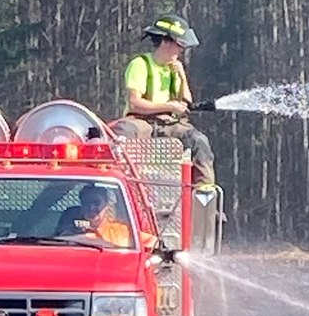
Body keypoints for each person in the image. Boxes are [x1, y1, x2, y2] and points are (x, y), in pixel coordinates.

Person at [118, 15, 215, 185]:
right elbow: (135, 103)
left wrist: (182, 75)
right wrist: (168, 106)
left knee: (199, 141)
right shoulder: (140, 65)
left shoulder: (174, 68)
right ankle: (115, 189)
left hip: (170, 124)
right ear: (165, 42)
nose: (181, 51)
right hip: (142, 121)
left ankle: (204, 197)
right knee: (122, 134)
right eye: (179, 46)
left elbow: (187, 102)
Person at [59, 182, 134, 247]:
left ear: (106, 205)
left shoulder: (122, 232)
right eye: (87, 203)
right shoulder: (69, 233)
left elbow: (144, 245)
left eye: (96, 203)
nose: (91, 208)